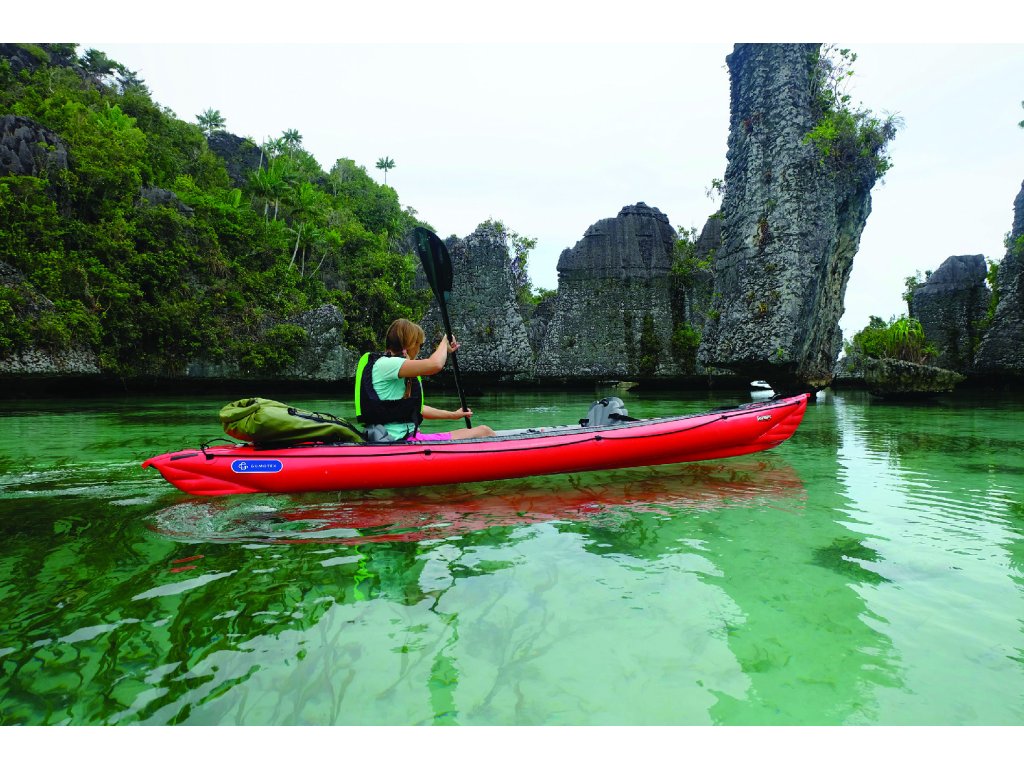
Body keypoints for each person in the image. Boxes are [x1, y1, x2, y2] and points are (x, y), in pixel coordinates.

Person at [354, 318, 496, 442]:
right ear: (410, 344)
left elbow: (417, 409)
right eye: (420, 345)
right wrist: (445, 341)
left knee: (481, 431)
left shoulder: (391, 366)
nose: (419, 350)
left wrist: (453, 415)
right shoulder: (387, 364)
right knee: (484, 432)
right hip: (398, 440)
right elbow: (435, 364)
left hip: (404, 437)